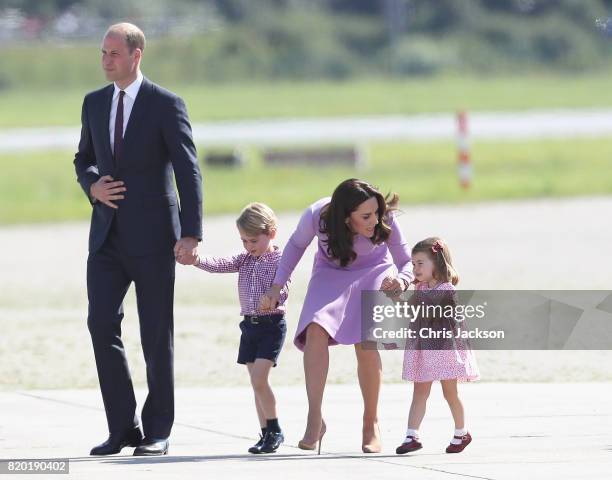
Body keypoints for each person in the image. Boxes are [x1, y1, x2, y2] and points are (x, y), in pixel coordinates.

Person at [73, 22, 203, 456]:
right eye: (102, 53)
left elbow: (188, 170)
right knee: (100, 324)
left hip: (154, 239)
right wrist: (92, 185)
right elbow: (83, 158)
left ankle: (157, 431)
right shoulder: (93, 103)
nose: (106, 60)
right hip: (106, 239)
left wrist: (191, 233)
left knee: (155, 335)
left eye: (113, 53)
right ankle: (121, 427)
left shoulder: (166, 104)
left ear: (136, 55)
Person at [260, 178, 413, 454]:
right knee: (315, 329)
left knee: (366, 342)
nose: (375, 221)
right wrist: (276, 286)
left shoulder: (384, 219)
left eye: (376, 213)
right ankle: (315, 419)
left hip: (375, 272)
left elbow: (406, 261)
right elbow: (295, 247)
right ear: (345, 217)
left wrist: (402, 281)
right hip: (330, 273)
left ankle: (371, 423)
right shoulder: (318, 215)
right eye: (366, 216)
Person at [189, 203, 289, 454]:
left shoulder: (280, 260)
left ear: (271, 233)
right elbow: (220, 263)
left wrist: (274, 296)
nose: (248, 246)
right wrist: (197, 260)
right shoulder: (244, 259)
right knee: (255, 383)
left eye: (253, 240)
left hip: (271, 326)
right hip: (250, 326)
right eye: (244, 240)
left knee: (260, 379)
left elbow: (284, 286)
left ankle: (276, 429)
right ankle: (265, 432)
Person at [396, 237, 479, 455]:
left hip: (444, 349)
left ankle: (462, 432)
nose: (415, 269)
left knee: (449, 392)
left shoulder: (447, 289)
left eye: (420, 263)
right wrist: (395, 297)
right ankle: (411, 435)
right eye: (413, 264)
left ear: (438, 263)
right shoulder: (421, 288)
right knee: (419, 391)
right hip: (424, 348)